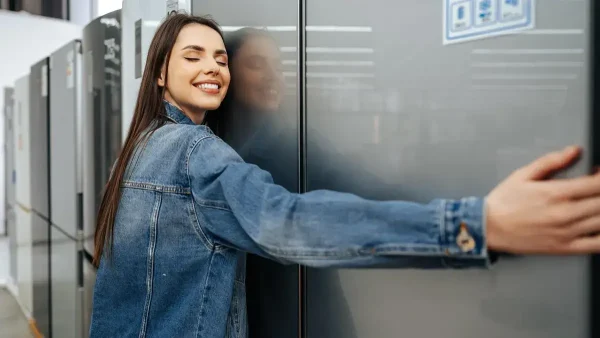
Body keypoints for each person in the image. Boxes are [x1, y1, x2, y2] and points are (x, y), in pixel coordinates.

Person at [89, 13, 600, 338]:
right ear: (159, 72)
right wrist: (476, 225)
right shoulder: (197, 151)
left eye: (220, 57)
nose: (213, 68)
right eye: (193, 56)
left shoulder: (140, 148)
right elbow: (287, 222)